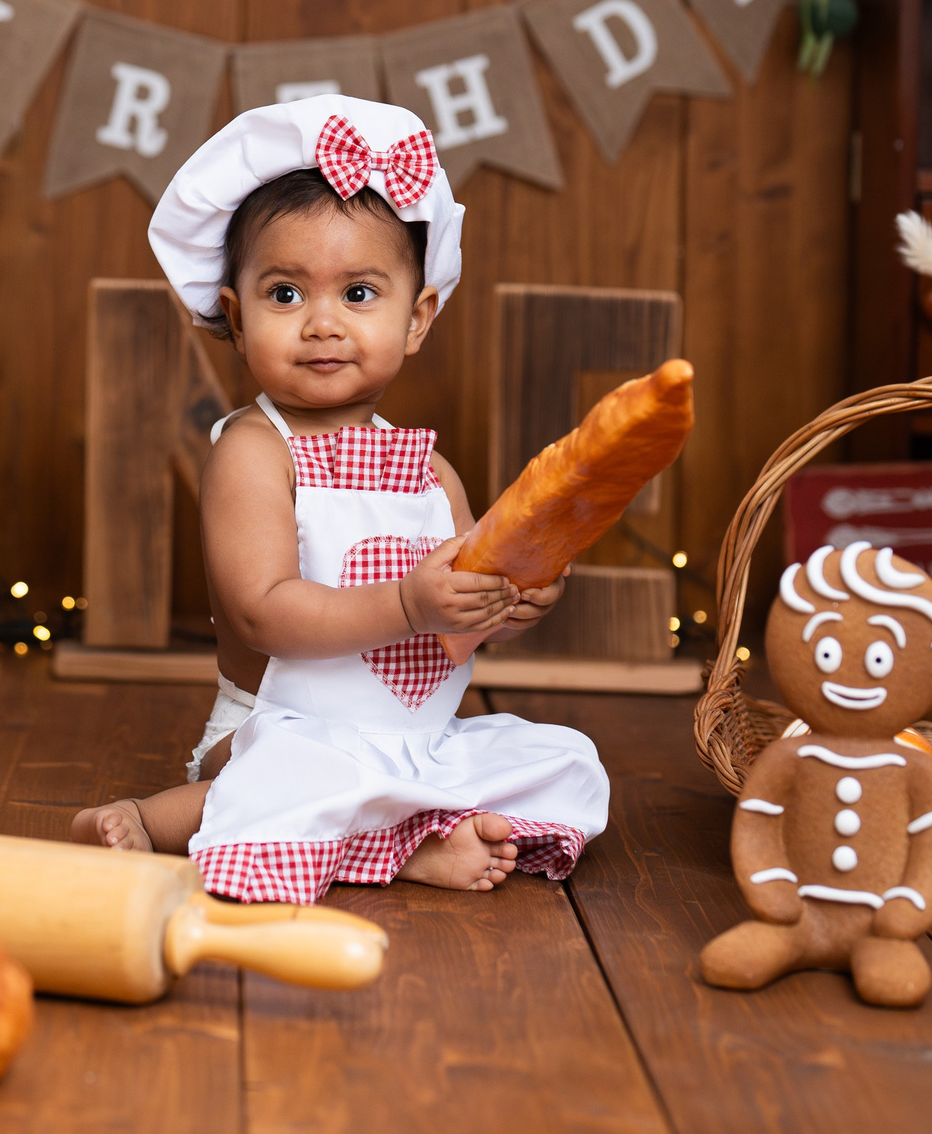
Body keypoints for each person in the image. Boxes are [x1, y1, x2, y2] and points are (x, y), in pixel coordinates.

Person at [70, 96, 609, 899]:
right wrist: (407, 601)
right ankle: (159, 818)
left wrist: (509, 599)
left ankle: (395, 831)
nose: (322, 323)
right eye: (286, 295)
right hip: (277, 734)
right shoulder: (255, 452)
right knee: (295, 780)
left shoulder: (432, 471)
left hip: (410, 737)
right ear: (236, 316)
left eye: (359, 294)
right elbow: (262, 612)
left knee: (568, 762)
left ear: (417, 316)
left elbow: (460, 614)